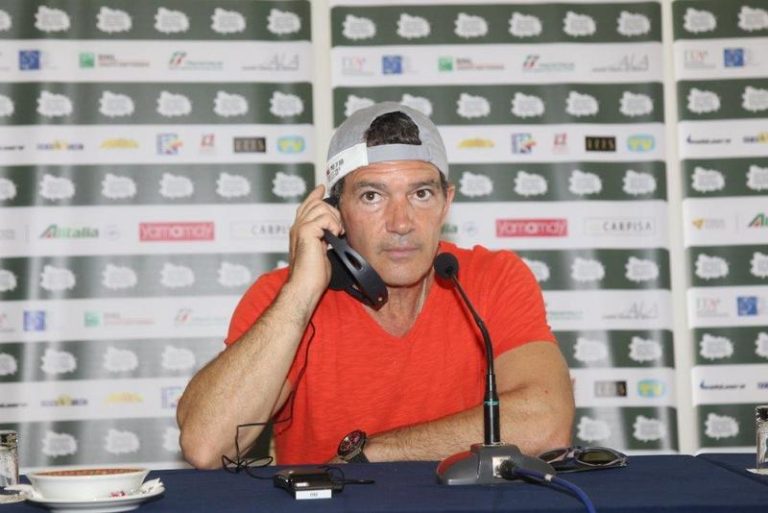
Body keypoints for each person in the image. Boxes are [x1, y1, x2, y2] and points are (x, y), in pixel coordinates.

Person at [176, 102, 574, 468]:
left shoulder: (494, 277)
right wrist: (300, 294)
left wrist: (373, 452)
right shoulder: (283, 297)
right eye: (372, 196)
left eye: (421, 193)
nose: (401, 223)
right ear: (336, 212)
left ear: (446, 203)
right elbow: (207, 447)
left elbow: (545, 422)